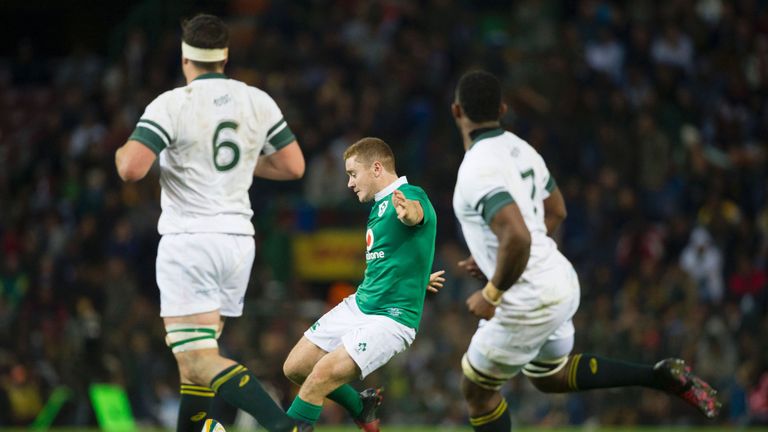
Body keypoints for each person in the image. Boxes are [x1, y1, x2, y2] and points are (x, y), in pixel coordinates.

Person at [450, 70, 721, 431]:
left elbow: (518, 237)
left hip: (528, 297)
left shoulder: (476, 167)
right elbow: (556, 210)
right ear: (502, 108)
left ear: (456, 111)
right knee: (549, 376)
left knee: (477, 391)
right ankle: (657, 376)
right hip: (559, 281)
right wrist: (501, 258)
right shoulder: (522, 150)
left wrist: (491, 291)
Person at [115, 14, 311, 432]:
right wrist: (239, 167)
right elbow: (293, 166)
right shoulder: (256, 100)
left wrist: (119, 154)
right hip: (238, 241)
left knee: (197, 358)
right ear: (225, 57)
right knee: (196, 363)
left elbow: (132, 168)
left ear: (186, 58)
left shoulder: (173, 103)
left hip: (191, 241)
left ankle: (283, 425)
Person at [281, 137, 439, 431]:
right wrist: (416, 278)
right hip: (360, 304)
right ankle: (361, 405)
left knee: (320, 378)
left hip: (390, 319)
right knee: (296, 368)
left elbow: (416, 215)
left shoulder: (409, 196)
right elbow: (398, 255)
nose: (350, 183)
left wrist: (410, 214)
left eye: (353, 174)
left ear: (377, 168)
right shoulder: (377, 207)